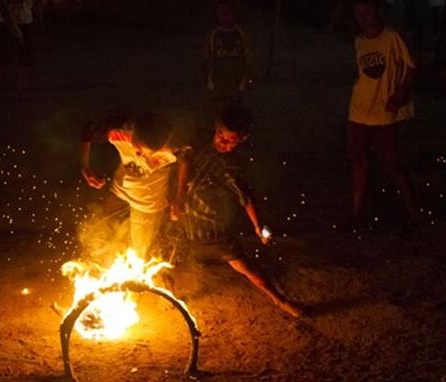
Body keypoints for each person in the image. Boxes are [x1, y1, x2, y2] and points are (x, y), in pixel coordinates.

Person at [180, 105, 300, 318]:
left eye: (229, 141)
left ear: (242, 139)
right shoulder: (198, 141)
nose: (221, 143)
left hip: (211, 227)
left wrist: (257, 226)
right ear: (216, 128)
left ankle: (280, 301)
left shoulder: (232, 166)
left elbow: (245, 198)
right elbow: (184, 158)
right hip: (186, 219)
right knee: (177, 258)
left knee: (246, 267)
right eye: (219, 135)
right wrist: (178, 198)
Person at [347, 0, 419, 228]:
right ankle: (357, 214)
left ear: (376, 11)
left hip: (383, 113)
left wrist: (398, 97)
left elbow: (410, 67)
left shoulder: (391, 38)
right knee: (359, 162)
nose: (362, 17)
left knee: (392, 162)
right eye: (358, 13)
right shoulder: (359, 41)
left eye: (365, 12)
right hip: (359, 111)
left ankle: (412, 208)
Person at [80, 112, 188, 258]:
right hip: (120, 191)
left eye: (149, 153)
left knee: (140, 254)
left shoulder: (173, 145)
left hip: (148, 203)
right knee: (102, 238)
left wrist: (179, 196)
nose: (140, 155)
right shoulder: (119, 132)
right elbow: (88, 131)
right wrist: (85, 166)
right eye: (138, 148)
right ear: (134, 133)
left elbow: (186, 159)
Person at [202, 0, 255, 110]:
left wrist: (250, 75)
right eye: (221, 13)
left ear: (234, 14)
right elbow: (206, 56)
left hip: (236, 77)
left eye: (228, 13)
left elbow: (248, 56)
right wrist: (205, 73)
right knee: (218, 106)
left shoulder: (241, 34)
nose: (224, 17)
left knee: (234, 107)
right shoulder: (213, 34)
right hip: (217, 77)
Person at [0, 0, 42, 99]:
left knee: (22, 56)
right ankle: (3, 90)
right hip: (8, 19)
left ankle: (20, 91)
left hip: (19, 20)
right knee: (5, 56)